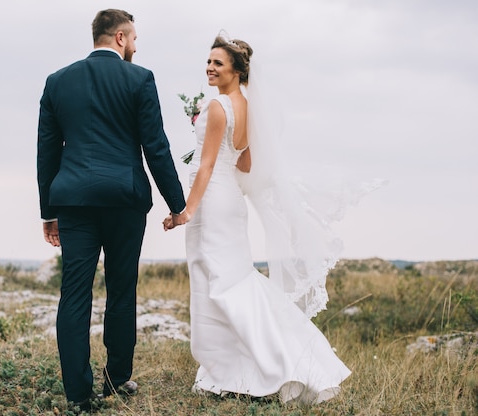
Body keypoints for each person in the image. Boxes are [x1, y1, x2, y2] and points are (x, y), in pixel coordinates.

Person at [163, 34, 352, 403]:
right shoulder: (245, 106)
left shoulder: (218, 106)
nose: (210, 67)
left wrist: (186, 210)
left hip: (214, 200)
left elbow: (205, 165)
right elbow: (245, 162)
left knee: (216, 281)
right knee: (231, 279)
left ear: (236, 70)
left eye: (218, 63)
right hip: (230, 200)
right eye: (208, 61)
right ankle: (236, 366)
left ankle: (252, 366)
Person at [37, 9, 187, 411]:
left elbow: (47, 153)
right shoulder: (139, 79)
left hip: (73, 204)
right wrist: (178, 203)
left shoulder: (57, 81)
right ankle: (116, 379)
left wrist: (47, 212)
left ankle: (77, 394)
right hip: (124, 201)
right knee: (121, 290)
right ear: (120, 37)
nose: (136, 46)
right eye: (134, 38)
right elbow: (156, 147)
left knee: (74, 294)